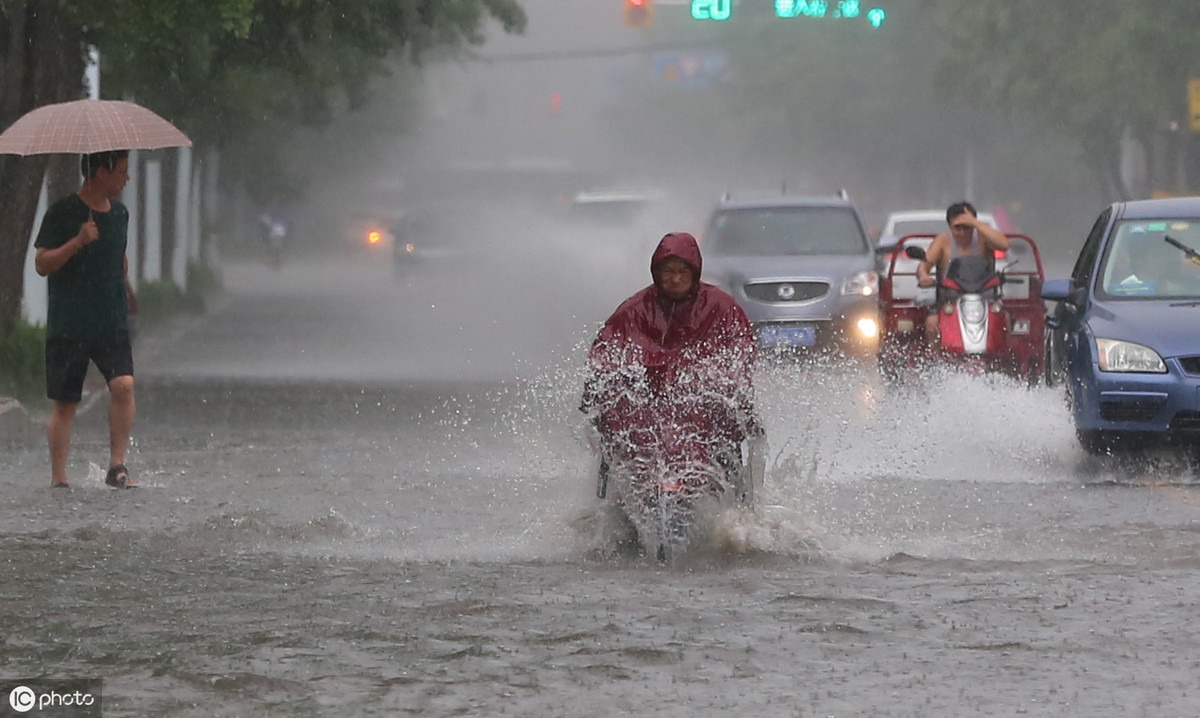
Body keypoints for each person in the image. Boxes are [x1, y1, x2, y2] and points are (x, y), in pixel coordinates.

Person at [580, 232, 762, 494]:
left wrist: (717, 382)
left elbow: (740, 352)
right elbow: (605, 354)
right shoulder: (634, 310)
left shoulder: (721, 307)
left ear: (694, 271)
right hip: (646, 411)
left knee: (727, 437)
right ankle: (607, 509)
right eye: (668, 271)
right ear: (657, 272)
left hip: (702, 411)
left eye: (682, 272)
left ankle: (738, 506)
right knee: (614, 440)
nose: (675, 279)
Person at [34, 149, 137, 489]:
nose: (126, 178)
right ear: (101, 172)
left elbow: (118, 257)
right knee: (67, 403)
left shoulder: (120, 214)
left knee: (124, 385)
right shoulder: (62, 212)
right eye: (122, 171)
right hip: (70, 322)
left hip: (111, 320)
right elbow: (42, 264)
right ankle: (59, 478)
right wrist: (78, 241)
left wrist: (128, 287)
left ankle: (117, 465)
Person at [916, 201, 1011, 346]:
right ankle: (936, 361)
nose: (963, 233)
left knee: (1005, 319)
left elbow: (1004, 245)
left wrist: (975, 222)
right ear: (950, 226)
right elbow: (924, 264)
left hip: (985, 297)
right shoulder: (943, 241)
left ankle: (1002, 358)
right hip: (950, 299)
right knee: (932, 322)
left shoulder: (983, 239)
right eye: (957, 228)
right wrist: (923, 276)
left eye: (967, 227)